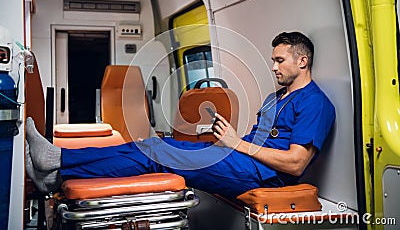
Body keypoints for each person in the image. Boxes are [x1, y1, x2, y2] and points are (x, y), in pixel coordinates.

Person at [26, 31, 335, 199]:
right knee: (152, 144)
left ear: (302, 60)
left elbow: (296, 164)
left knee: (157, 153)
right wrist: (229, 140)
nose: (274, 67)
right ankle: (56, 165)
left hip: (262, 178)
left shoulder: (314, 103)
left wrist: (235, 143)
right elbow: (256, 141)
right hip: (241, 160)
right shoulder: (274, 98)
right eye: (273, 60)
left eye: (280, 60)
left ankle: (57, 166)